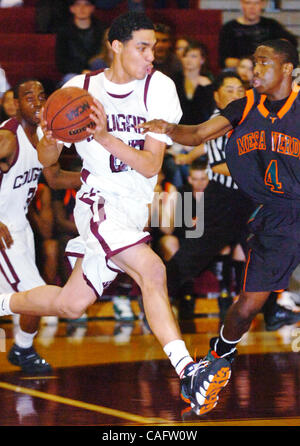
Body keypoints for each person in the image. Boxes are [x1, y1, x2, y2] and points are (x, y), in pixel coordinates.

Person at [0, 12, 231, 416]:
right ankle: (188, 372)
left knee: (71, 304)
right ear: (117, 46)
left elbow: (148, 165)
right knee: (152, 270)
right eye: (143, 47)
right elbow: (47, 158)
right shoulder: (79, 89)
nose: (151, 56)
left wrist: (104, 135)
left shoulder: (159, 88)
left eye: (154, 47)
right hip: (100, 202)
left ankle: (4, 301)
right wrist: (52, 140)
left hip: (135, 205)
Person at [137, 38, 300, 414]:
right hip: (273, 215)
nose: (255, 70)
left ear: (288, 69)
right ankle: (218, 355)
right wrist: (167, 129)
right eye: (253, 63)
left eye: (264, 63)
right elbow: (195, 135)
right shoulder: (244, 107)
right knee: (247, 306)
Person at [0, 78, 81, 374]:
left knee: (31, 298)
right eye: (28, 97)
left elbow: (56, 178)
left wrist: (98, 178)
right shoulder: (7, 138)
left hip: (18, 227)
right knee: (35, 296)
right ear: (15, 104)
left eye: (41, 96)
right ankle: (23, 350)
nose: (36, 102)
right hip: (3, 231)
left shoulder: (43, 135)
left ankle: (22, 349)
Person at [218, 0, 298, 69]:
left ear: (262, 4)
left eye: (256, 3)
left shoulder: (271, 25)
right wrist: (248, 64)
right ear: (241, 4)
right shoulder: (229, 28)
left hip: (268, 69)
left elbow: (291, 42)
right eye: (248, 3)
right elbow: (224, 61)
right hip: (240, 70)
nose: (252, 8)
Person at [55, 0, 106, 85]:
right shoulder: (64, 32)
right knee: (70, 79)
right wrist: (82, 71)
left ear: (92, 8)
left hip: (97, 71)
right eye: (78, 4)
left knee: (99, 63)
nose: (82, 8)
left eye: (86, 4)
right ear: (72, 8)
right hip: (75, 72)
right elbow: (61, 62)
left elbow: (105, 57)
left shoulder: (101, 29)